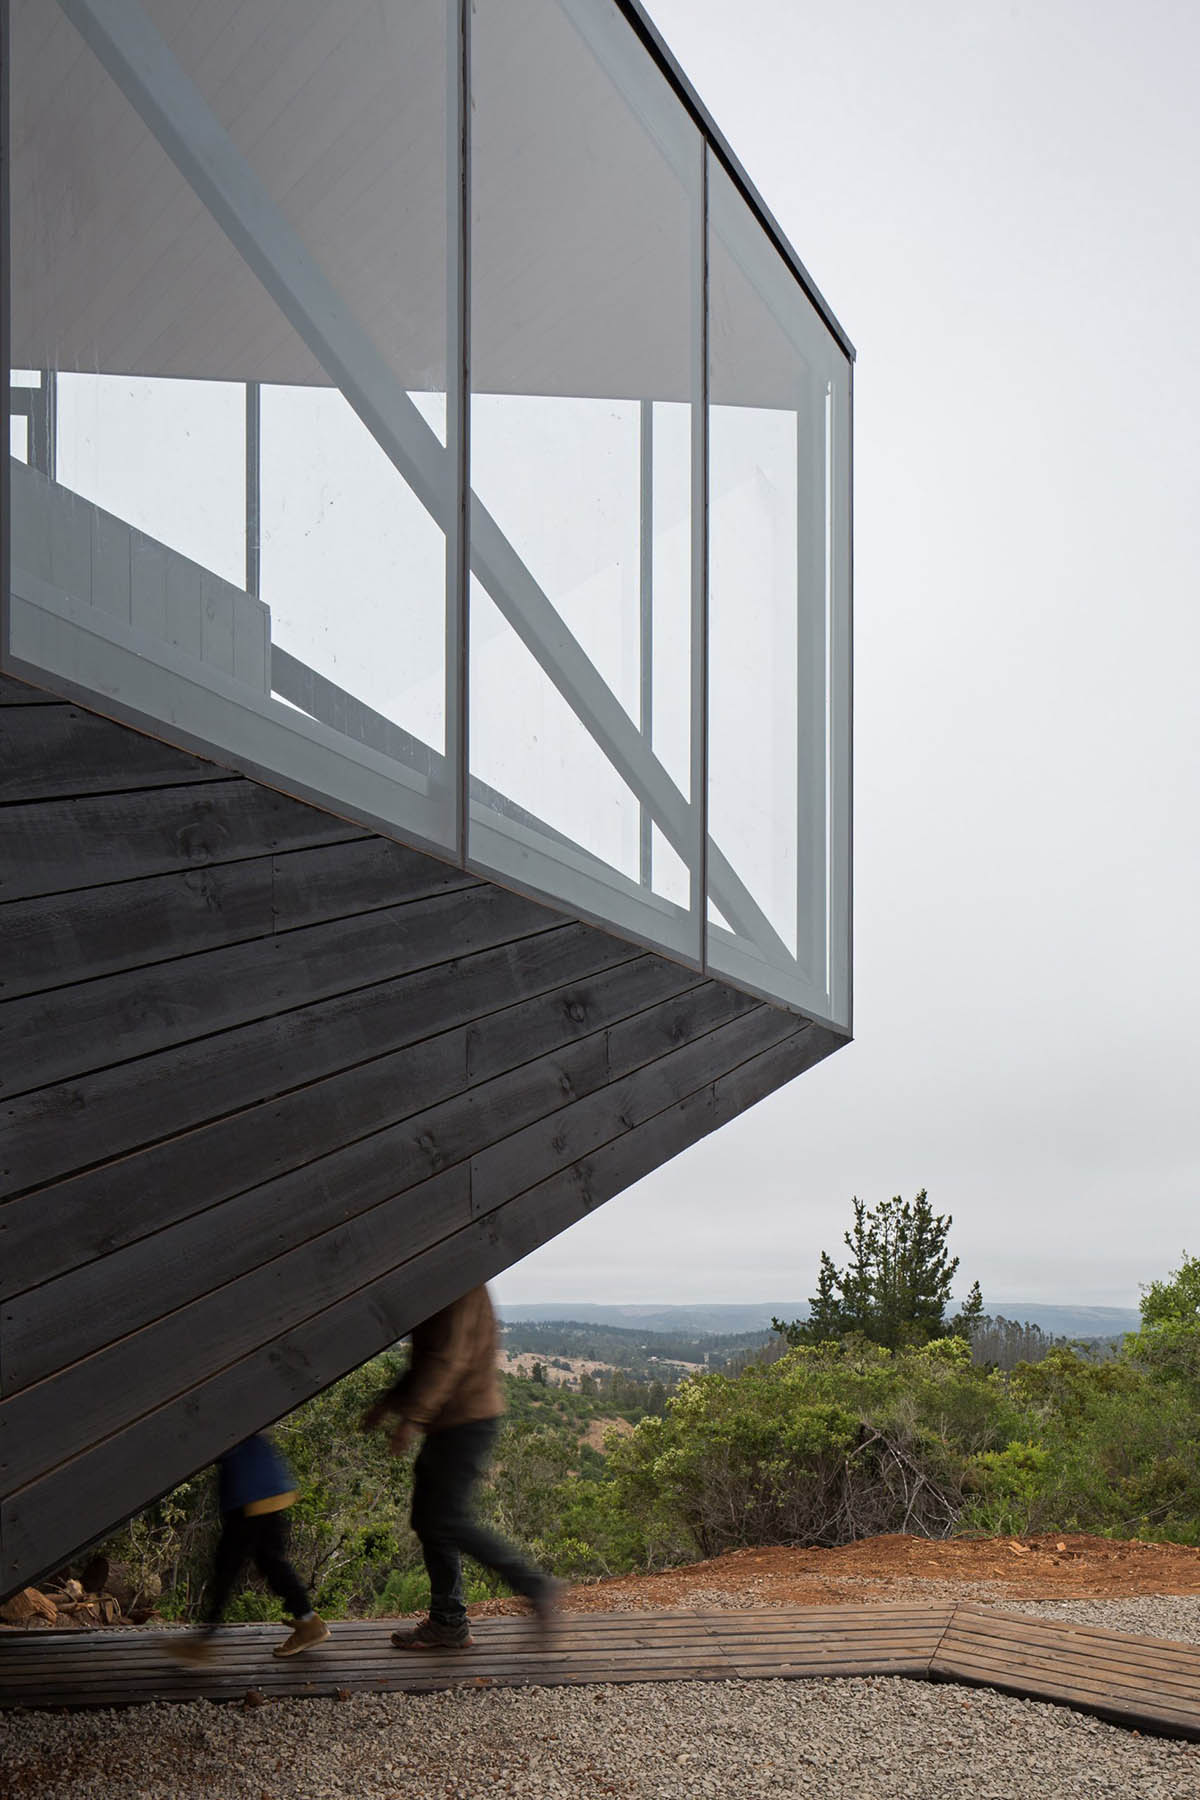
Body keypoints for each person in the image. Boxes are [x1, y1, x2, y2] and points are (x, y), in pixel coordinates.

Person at [362, 1284, 558, 1651]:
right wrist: (389, 1402)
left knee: (446, 1520)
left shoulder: (461, 1285)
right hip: (451, 1421)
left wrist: (411, 1418)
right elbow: (424, 1358)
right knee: (428, 1520)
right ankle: (449, 1621)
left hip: (465, 1420)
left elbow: (448, 1359)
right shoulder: (445, 1278)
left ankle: (533, 1585)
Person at [165, 1432, 329, 1666]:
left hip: (251, 1489)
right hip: (268, 1482)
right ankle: (308, 1621)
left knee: (227, 1568)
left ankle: (201, 1642)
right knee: (269, 1561)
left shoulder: (220, 1415)